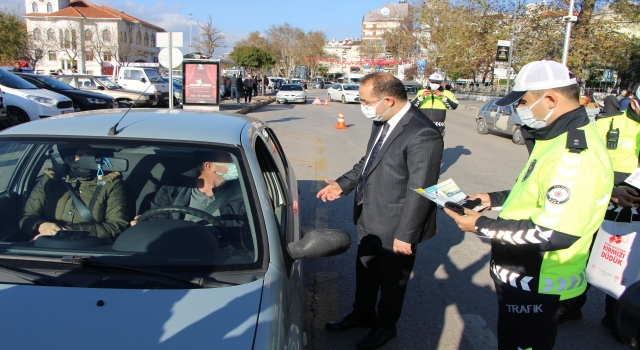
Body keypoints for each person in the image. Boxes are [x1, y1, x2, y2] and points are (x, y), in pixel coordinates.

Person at [444, 60, 613, 350]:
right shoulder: (557, 137)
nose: (518, 109)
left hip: (539, 283)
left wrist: (481, 225)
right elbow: (539, 193)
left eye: (523, 101)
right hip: (522, 276)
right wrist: (493, 199)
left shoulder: (573, 156)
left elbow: (554, 233)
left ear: (550, 100)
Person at [317, 72, 443, 349]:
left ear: (388, 99)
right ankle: (362, 314)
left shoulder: (423, 133)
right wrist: (342, 185)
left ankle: (385, 327)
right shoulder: (383, 119)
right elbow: (370, 160)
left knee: (392, 283)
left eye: (365, 101)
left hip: (396, 224)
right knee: (366, 271)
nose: (363, 106)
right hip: (369, 215)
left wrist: (406, 234)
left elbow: (421, 189)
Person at [19, 145, 132, 240]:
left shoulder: (112, 184)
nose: (85, 158)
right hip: (45, 243)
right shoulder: (50, 180)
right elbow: (27, 216)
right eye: (79, 155)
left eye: (91, 153)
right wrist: (40, 226)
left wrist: (66, 231)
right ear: (70, 156)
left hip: (88, 248)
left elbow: (116, 226)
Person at [130, 151, 244, 231]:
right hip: (180, 252)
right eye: (229, 158)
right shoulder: (172, 188)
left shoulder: (244, 192)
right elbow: (157, 221)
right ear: (210, 166)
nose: (235, 162)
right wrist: (143, 225)